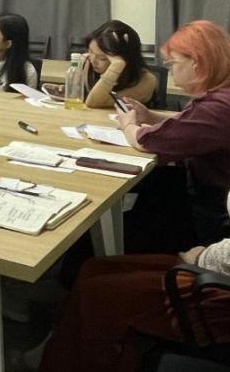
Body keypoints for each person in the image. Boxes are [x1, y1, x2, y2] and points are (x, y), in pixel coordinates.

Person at [39, 193, 230, 372]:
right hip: (212, 263)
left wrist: (201, 257)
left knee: (96, 292)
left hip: (217, 291)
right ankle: (62, 345)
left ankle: (75, 358)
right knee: (93, 267)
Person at [115, 20, 230, 247]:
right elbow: (192, 126)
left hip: (211, 211)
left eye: (172, 64)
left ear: (196, 62)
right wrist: (151, 116)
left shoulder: (216, 108)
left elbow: (147, 141)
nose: (171, 71)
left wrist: (128, 124)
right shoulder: (221, 95)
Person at [47, 20, 156, 109]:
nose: (93, 60)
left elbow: (94, 102)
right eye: (90, 51)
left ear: (124, 59)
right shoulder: (86, 62)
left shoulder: (146, 81)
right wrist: (68, 91)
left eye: (102, 58)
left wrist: (116, 66)